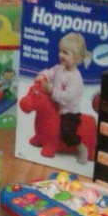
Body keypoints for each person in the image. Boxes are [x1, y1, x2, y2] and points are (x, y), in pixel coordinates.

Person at [37, 31, 88, 162]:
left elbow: (68, 97)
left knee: (66, 132)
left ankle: (81, 147)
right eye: (60, 51)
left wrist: (51, 90)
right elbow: (50, 72)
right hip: (56, 106)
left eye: (65, 53)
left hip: (69, 112)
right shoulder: (59, 68)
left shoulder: (75, 78)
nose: (60, 55)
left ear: (76, 58)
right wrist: (43, 75)